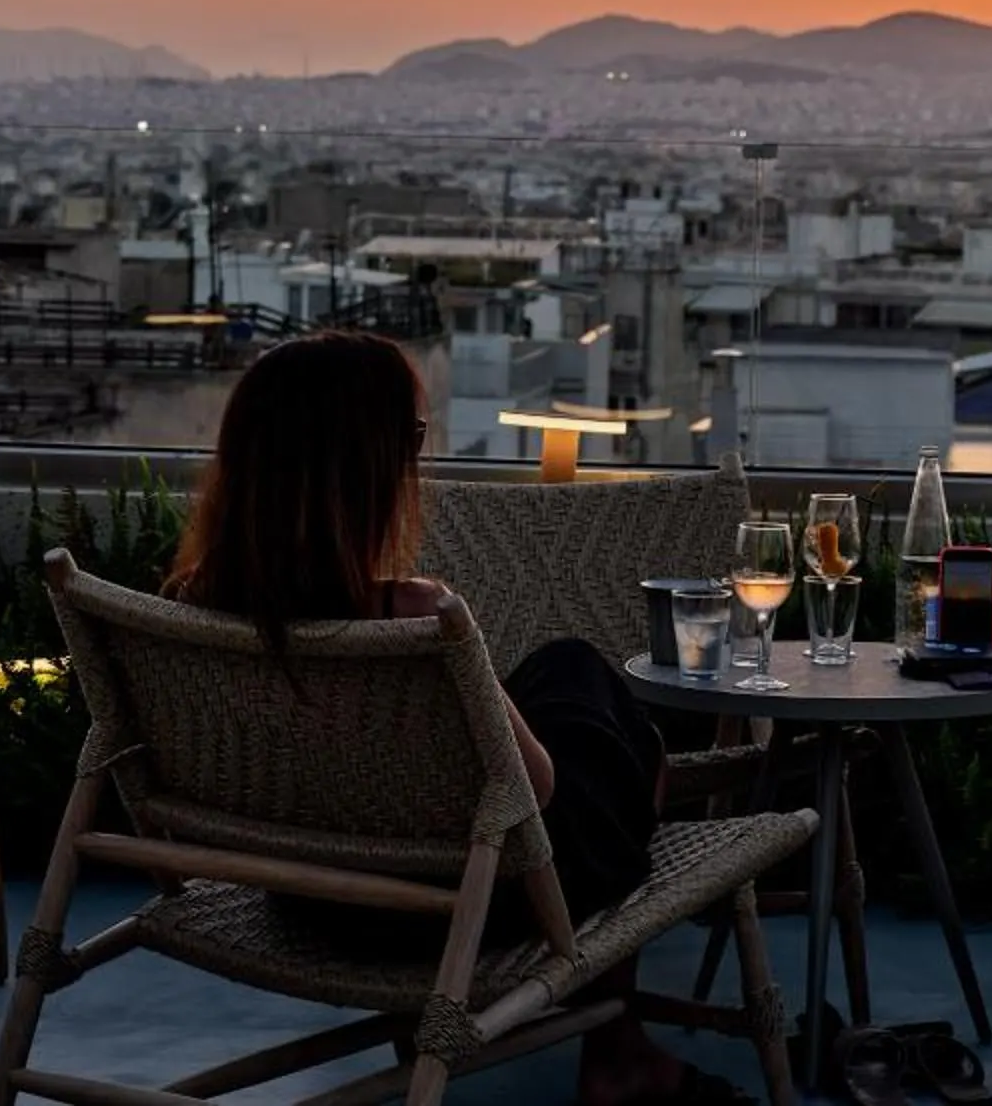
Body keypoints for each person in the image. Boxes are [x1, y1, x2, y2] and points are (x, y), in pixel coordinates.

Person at [166, 331, 745, 1106]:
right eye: (409, 435)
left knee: (565, 670)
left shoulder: (191, 609)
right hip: (451, 905)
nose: (417, 457)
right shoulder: (416, 616)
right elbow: (532, 788)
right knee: (606, 736)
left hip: (309, 895)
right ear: (362, 464)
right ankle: (618, 1051)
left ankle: (624, 762)